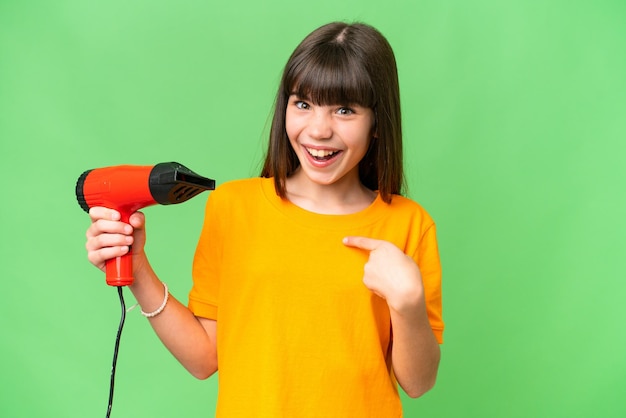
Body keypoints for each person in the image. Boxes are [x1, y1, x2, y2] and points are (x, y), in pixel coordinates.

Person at [86, 21, 443, 417]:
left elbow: (418, 383)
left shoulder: (409, 224)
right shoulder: (233, 207)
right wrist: (135, 265)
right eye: (303, 104)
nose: (318, 130)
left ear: (377, 123)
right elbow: (204, 358)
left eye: (345, 110)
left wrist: (408, 303)